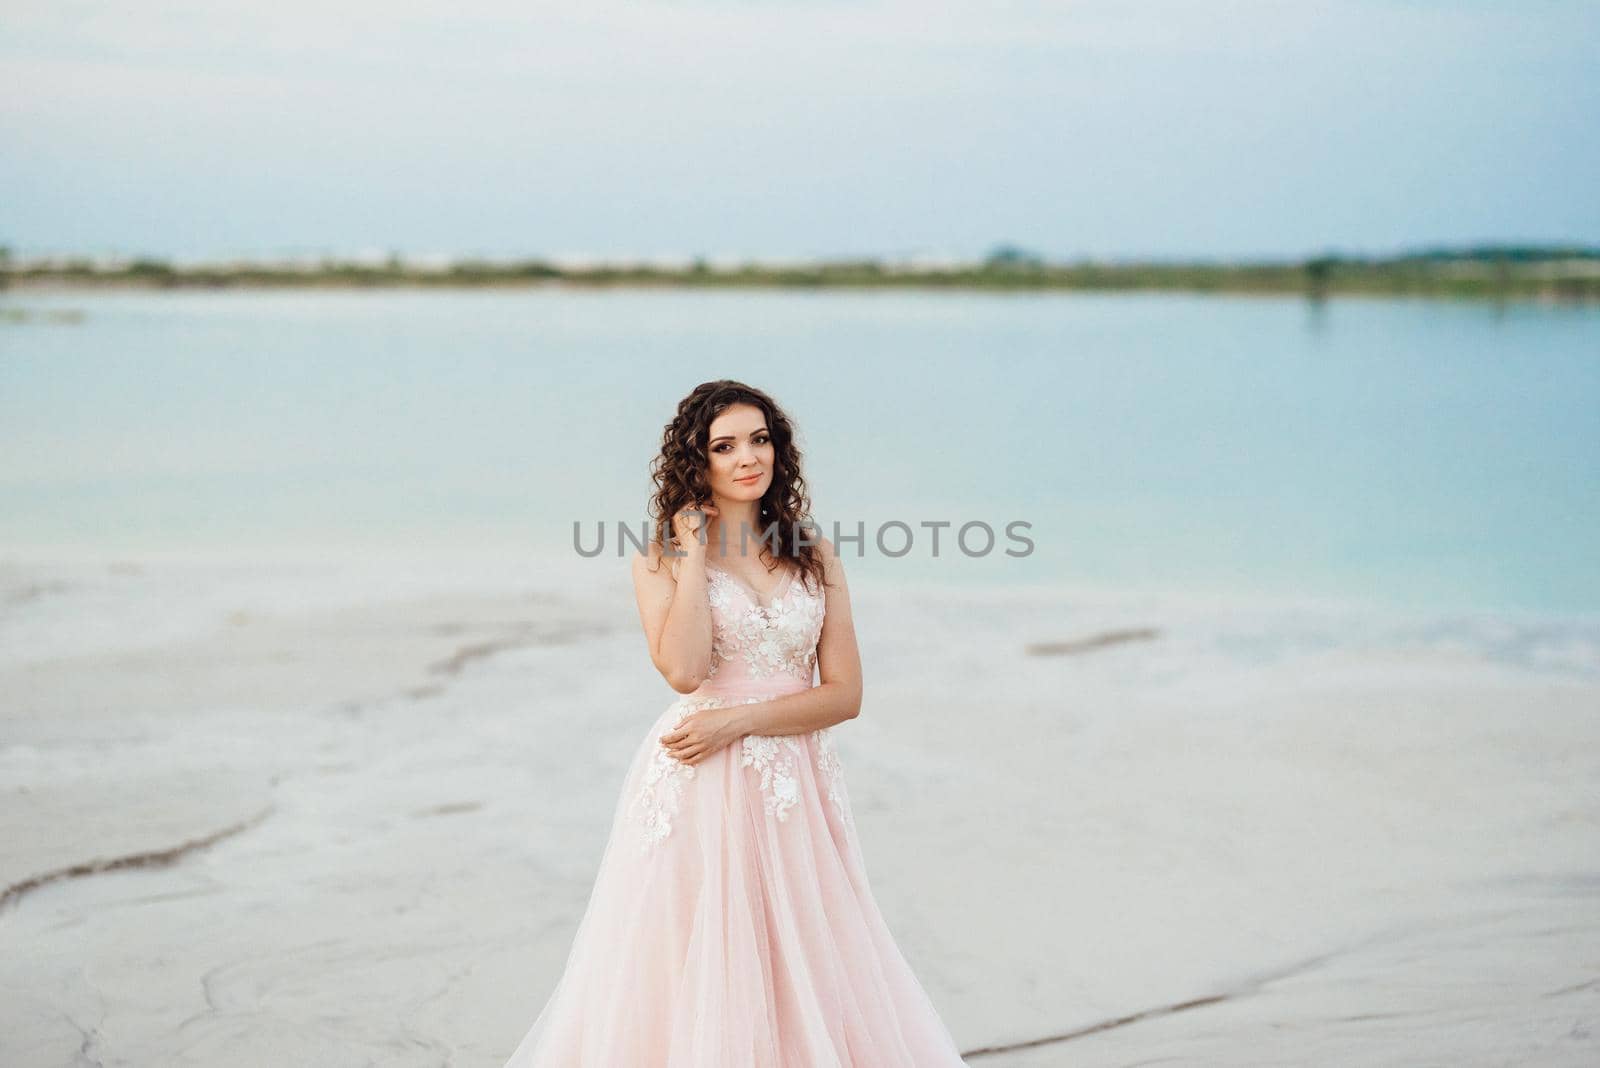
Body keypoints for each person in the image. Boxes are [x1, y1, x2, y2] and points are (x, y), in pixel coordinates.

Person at [503, 380, 969, 1066]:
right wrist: (694, 556)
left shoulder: (813, 552)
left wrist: (741, 722)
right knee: (703, 950)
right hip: (699, 781)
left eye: (760, 439)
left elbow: (845, 695)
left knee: (807, 945)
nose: (749, 457)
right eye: (725, 446)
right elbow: (686, 672)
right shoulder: (658, 555)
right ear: (699, 463)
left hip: (796, 781)